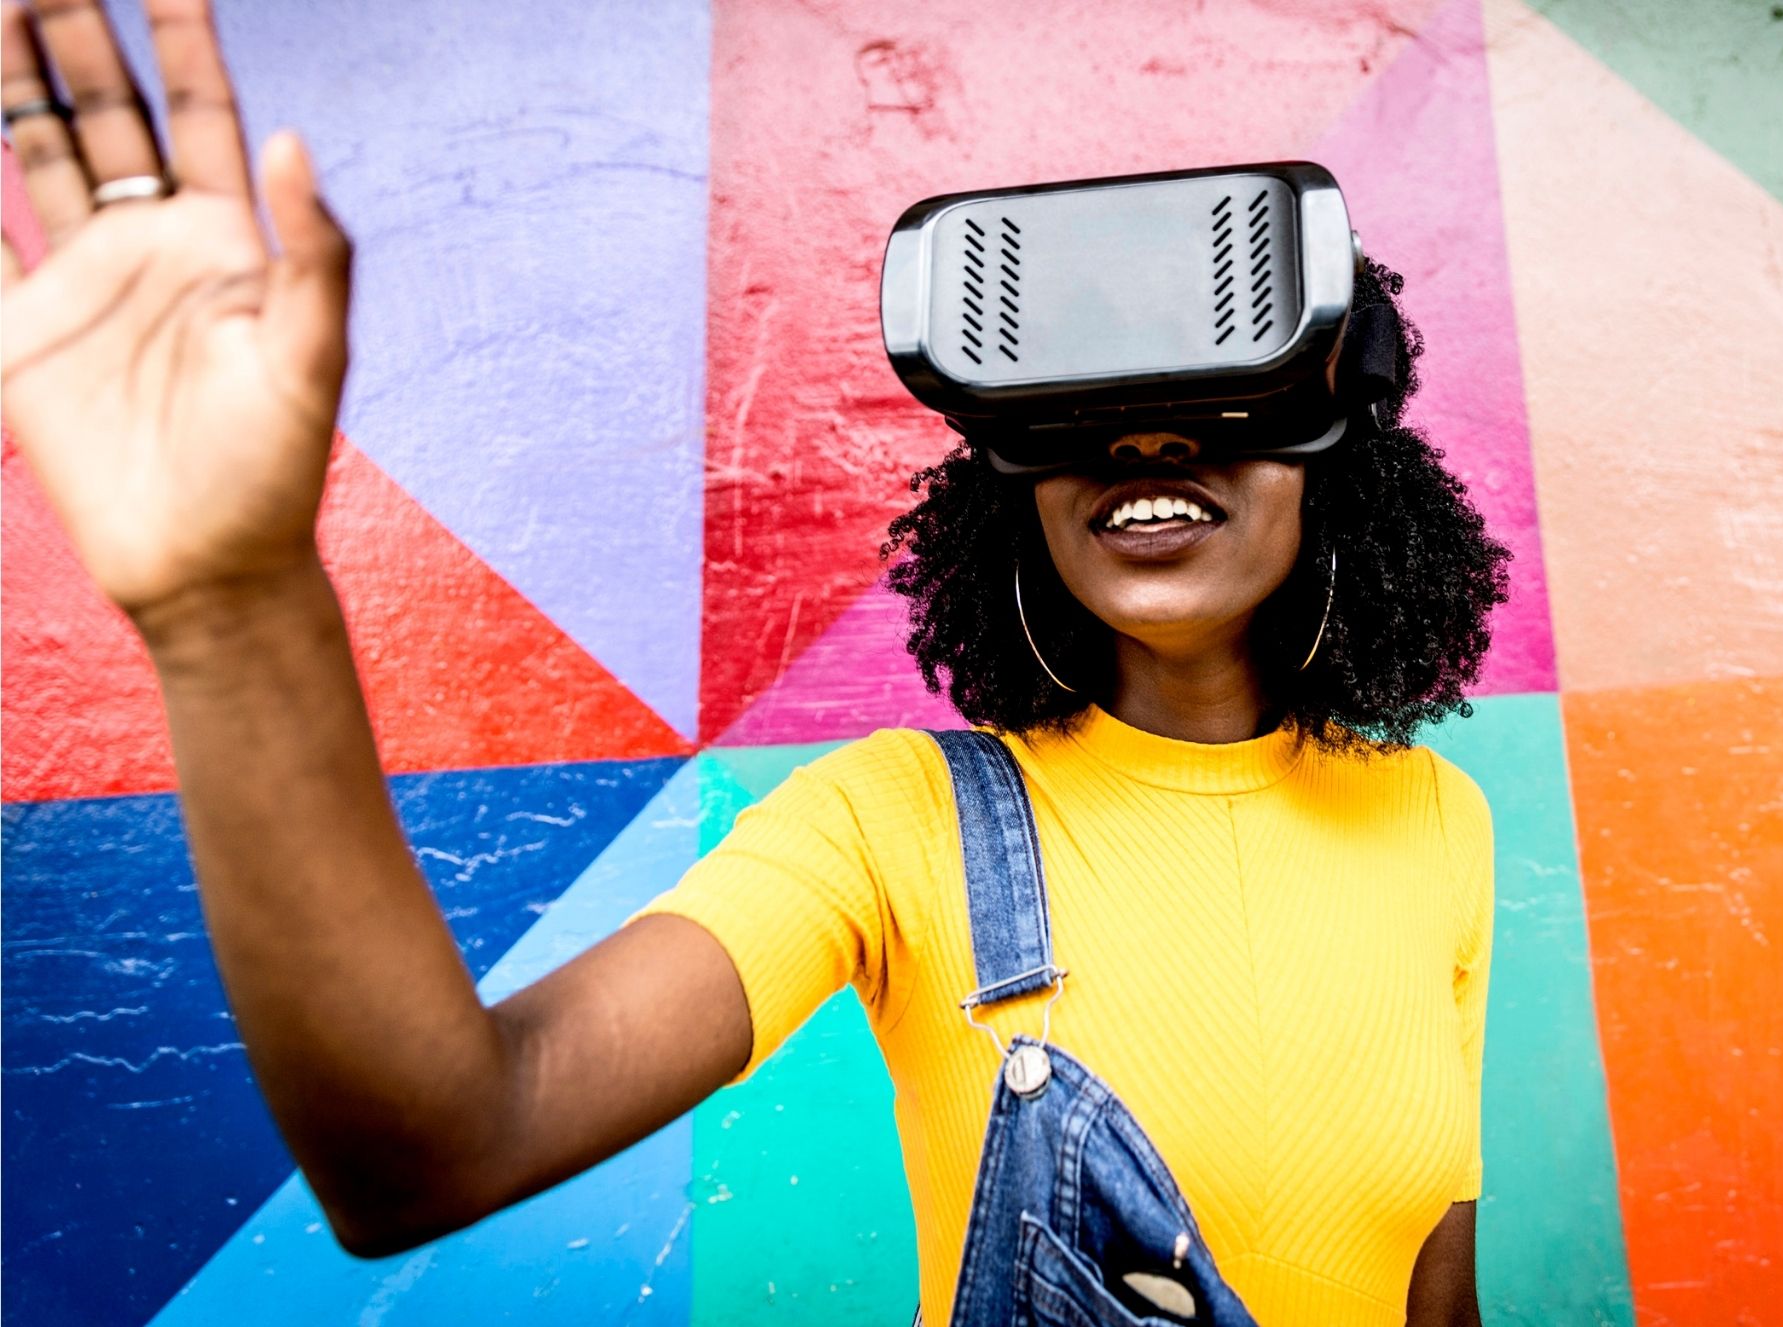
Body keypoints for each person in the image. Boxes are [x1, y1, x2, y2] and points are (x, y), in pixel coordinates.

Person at [0, 2, 1511, 1323]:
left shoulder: (1440, 823)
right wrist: (234, 607)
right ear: (1008, 476)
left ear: (1339, 455)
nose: (1149, 437)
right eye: (1079, 403)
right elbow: (439, 1148)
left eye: (1220, 385)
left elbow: (1435, 1286)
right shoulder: (894, 824)